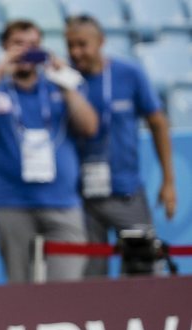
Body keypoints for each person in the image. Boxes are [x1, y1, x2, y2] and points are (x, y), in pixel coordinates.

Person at [0, 20, 100, 283]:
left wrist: (65, 81)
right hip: (12, 203)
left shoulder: (57, 86)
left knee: (66, 287)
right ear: (5, 48)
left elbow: (89, 127)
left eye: (32, 45)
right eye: (17, 45)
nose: (25, 51)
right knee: (20, 289)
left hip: (63, 202)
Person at [65, 14, 178, 277]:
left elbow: (158, 123)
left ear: (101, 41)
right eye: (70, 45)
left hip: (126, 192)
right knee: (90, 278)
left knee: (144, 271)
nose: (75, 52)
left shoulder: (129, 73)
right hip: (81, 198)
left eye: (82, 44)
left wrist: (169, 182)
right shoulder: (66, 81)